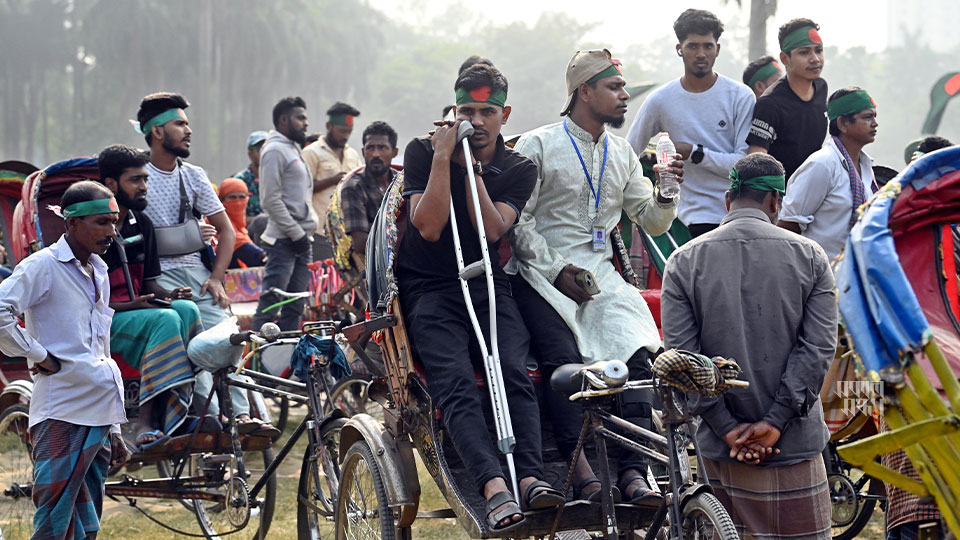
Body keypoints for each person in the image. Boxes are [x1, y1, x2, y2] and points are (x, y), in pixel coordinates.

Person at [509, 49, 681, 504]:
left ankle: (635, 471)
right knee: (563, 361)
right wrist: (555, 269)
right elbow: (517, 222)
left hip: (601, 277)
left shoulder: (622, 152)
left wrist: (668, 191)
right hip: (539, 275)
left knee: (640, 351)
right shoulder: (538, 146)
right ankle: (577, 467)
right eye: (614, 88)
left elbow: (652, 221)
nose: (625, 96)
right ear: (584, 91)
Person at [397, 63, 563, 532]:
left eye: (487, 111)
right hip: (430, 287)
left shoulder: (518, 166)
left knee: (513, 369)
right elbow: (427, 227)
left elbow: (493, 228)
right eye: (467, 110)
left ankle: (530, 477)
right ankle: (492, 486)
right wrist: (443, 160)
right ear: (453, 110)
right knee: (452, 380)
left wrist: (469, 168)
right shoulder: (421, 151)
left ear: (504, 114)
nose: (478, 120)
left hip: (489, 282)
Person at [661, 152, 836, 540]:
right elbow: (819, 349)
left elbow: (683, 361)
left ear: (728, 199)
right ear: (776, 202)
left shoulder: (683, 261)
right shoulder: (811, 256)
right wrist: (773, 424)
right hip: (792, 446)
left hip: (721, 453)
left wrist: (727, 429)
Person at [0, 181, 130, 540]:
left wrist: (115, 428)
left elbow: (100, 348)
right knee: (54, 518)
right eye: (101, 222)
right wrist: (37, 354)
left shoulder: (99, 271)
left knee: (87, 520)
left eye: (114, 222)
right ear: (71, 223)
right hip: (61, 408)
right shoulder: (43, 266)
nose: (111, 232)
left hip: (99, 410)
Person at [135, 92, 255, 425]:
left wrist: (217, 277)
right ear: (157, 131)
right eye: (180, 124)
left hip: (200, 275)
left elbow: (227, 232)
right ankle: (210, 418)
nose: (188, 131)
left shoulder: (194, 175)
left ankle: (242, 415)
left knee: (229, 338)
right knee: (194, 344)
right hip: (158, 279)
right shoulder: (137, 176)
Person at [96, 144, 204, 451]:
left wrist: (169, 294)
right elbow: (84, 301)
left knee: (185, 309)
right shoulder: (92, 228)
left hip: (135, 314)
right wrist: (133, 305)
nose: (144, 187)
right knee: (165, 319)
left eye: (145, 179)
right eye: (135, 180)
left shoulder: (141, 224)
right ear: (111, 185)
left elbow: (150, 284)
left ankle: (181, 411)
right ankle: (144, 420)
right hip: (102, 321)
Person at [627, 9, 755, 237]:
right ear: (679, 50)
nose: (701, 53)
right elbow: (627, 155)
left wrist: (694, 153)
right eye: (693, 46)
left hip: (736, 216)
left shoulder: (740, 96)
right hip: (684, 222)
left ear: (718, 49)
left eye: (707, 46)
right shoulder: (660, 100)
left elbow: (743, 166)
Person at [778, 87, 879, 260]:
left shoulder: (866, 166)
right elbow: (788, 226)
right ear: (843, 124)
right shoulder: (822, 165)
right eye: (867, 117)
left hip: (851, 276)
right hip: (819, 276)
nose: (875, 123)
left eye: (874, 117)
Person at [252, 96, 316, 332]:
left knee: (296, 303)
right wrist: (296, 233)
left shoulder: (291, 148)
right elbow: (270, 200)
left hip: (300, 240)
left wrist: (301, 237)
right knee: (271, 302)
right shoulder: (274, 150)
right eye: (300, 118)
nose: (305, 123)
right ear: (283, 120)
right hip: (283, 240)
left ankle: (287, 361)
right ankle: (255, 359)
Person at [746, 18, 827, 179]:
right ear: (785, 59)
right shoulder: (770, 104)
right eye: (804, 52)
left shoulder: (821, 87)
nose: (815, 59)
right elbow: (756, 161)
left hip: (816, 188)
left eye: (818, 50)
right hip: (783, 197)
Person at [302, 101, 362, 259]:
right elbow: (302, 189)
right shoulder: (311, 152)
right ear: (329, 126)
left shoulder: (353, 154)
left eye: (349, 132)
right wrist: (333, 180)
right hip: (319, 231)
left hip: (346, 232)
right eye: (342, 131)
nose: (345, 136)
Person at [337, 121, 400, 268]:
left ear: (394, 152)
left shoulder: (402, 182)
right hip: (375, 267)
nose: (376, 154)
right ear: (363, 151)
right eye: (370, 148)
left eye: (382, 147)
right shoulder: (353, 187)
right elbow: (361, 243)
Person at [219, 178, 265, 268]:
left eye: (242, 197)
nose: (238, 202)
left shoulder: (241, 228)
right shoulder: (218, 225)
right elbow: (256, 256)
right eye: (232, 197)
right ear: (221, 200)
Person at [232, 130, 267, 223]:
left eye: (267, 149)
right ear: (250, 154)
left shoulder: (278, 179)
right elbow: (233, 217)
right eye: (260, 149)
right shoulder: (239, 181)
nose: (265, 153)